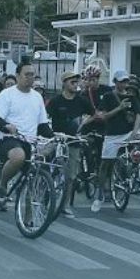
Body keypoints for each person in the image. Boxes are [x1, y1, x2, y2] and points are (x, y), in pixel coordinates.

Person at [0, 60, 55, 204]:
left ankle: (28, 220)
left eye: (32, 75)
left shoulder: (37, 97)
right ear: (18, 76)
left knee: (36, 173)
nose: (30, 77)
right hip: (7, 138)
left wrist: (54, 136)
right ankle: (2, 184)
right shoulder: (7, 94)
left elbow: (42, 125)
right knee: (18, 156)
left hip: (29, 141)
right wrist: (7, 126)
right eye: (27, 74)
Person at [91, 70, 140, 213]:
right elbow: (102, 117)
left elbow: (139, 114)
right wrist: (119, 108)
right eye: (121, 81)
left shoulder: (132, 97)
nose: (124, 84)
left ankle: (139, 175)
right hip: (112, 134)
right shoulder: (108, 97)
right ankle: (99, 193)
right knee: (105, 164)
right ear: (115, 82)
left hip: (128, 133)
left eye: (126, 81)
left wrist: (134, 132)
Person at [46, 71, 94, 216]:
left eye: (76, 81)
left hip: (74, 141)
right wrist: (50, 134)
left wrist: (83, 124)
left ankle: (65, 205)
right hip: (56, 140)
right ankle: (46, 197)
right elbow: (45, 118)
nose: (75, 84)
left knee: (71, 176)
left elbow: (94, 114)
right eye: (72, 81)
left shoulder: (81, 100)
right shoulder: (55, 101)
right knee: (49, 169)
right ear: (64, 83)